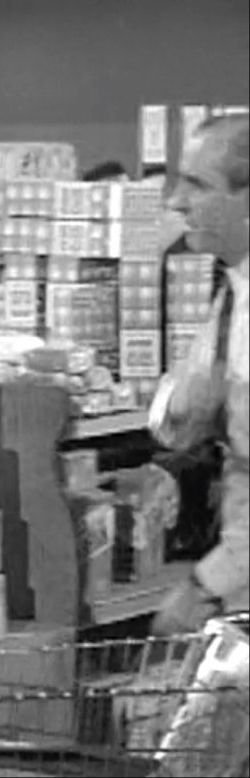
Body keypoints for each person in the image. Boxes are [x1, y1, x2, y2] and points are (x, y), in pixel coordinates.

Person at [150, 114, 249, 635]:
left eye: (198, 184)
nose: (176, 202)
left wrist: (206, 586)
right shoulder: (232, 293)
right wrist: (187, 410)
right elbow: (173, 418)